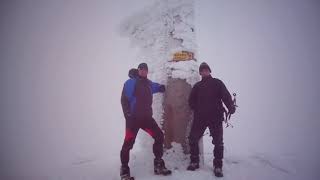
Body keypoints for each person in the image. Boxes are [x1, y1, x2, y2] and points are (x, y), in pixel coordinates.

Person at [120, 63, 172, 180]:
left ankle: (158, 164)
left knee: (159, 136)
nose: (143, 71)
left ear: (147, 71)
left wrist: (161, 87)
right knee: (128, 143)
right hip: (133, 120)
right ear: (138, 70)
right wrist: (127, 115)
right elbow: (124, 99)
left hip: (146, 119)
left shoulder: (148, 83)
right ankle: (124, 171)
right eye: (141, 69)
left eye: (145, 70)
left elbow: (155, 86)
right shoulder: (131, 83)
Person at [187, 62, 236, 177]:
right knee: (193, 139)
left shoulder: (217, 83)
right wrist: (197, 108)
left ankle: (218, 166)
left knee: (218, 143)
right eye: (202, 70)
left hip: (215, 117)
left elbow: (226, 96)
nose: (204, 72)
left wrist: (230, 106)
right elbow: (191, 100)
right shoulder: (197, 86)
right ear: (200, 73)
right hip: (200, 118)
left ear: (209, 71)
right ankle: (194, 162)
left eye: (206, 70)